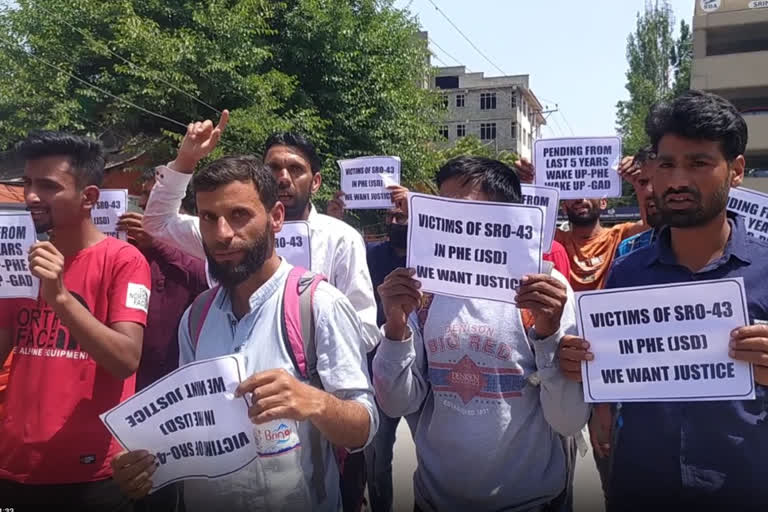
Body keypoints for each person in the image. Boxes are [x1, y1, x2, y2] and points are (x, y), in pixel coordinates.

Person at [110, 155, 378, 512]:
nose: (222, 234)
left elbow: (363, 426)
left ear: (276, 218)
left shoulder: (319, 305)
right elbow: (192, 429)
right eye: (208, 218)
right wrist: (144, 466)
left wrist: (314, 402)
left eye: (239, 215)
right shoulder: (196, 317)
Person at [559, 90, 768, 511]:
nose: (677, 181)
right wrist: (577, 363)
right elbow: (606, 365)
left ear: (736, 170)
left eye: (699, 163)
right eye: (667, 163)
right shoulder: (626, 274)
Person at [373, 156, 590, 511]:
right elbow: (398, 403)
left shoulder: (545, 291)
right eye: (443, 206)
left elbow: (568, 419)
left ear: (505, 216)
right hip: (434, 501)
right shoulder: (421, 290)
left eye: (463, 209)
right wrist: (395, 328)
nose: (448, 220)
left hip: (529, 503)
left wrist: (548, 335)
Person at [142, 112, 379, 354]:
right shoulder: (223, 232)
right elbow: (157, 223)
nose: (283, 178)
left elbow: (366, 328)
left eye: (296, 169)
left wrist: (302, 346)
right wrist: (186, 160)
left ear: (315, 182)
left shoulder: (341, 238)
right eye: (274, 168)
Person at [0, 132, 151, 508]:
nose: (32, 196)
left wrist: (61, 297)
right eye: (29, 183)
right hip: (13, 466)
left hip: (92, 475)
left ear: (89, 197)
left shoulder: (124, 261)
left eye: (49, 186)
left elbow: (125, 359)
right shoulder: (19, 257)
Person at [614, 146, 663, 258]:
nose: (648, 191)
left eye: (658, 180)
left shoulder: (707, 249)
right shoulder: (629, 249)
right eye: (642, 182)